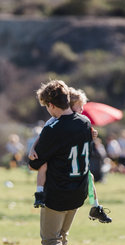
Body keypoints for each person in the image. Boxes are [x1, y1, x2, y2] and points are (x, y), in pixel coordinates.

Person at [28, 79, 104, 245]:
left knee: (50, 241)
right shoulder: (84, 122)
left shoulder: (53, 128)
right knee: (60, 240)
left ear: (51, 105)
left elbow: (34, 163)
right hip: (78, 191)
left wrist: (35, 149)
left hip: (58, 192)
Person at [29, 87, 112, 223]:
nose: (81, 110)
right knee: (43, 166)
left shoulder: (81, 122)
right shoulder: (55, 123)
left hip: (73, 177)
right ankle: (39, 193)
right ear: (69, 105)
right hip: (63, 178)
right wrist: (32, 148)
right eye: (79, 106)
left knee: (89, 176)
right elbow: (42, 137)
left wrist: (91, 134)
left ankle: (95, 206)